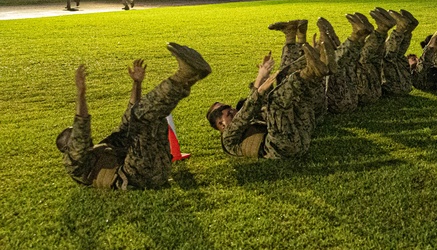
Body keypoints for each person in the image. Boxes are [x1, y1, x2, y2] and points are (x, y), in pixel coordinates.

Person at [57, 43, 212, 190]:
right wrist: (80, 94)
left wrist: (137, 84)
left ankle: (191, 77)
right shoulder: (75, 166)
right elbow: (81, 131)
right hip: (138, 177)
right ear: (66, 148)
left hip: (155, 167)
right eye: (72, 136)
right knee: (142, 117)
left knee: (142, 117)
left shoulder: (102, 149)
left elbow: (129, 120)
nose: (77, 135)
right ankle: (185, 75)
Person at [207, 37, 332, 159]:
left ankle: (321, 56)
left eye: (232, 109)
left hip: (301, 132)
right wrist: (260, 87)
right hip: (285, 148)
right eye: (229, 114)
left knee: (284, 78)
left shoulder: (250, 123)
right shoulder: (228, 139)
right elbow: (246, 112)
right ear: (221, 125)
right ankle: (313, 71)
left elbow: (251, 107)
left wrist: (262, 77)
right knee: (276, 100)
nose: (234, 111)